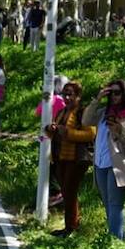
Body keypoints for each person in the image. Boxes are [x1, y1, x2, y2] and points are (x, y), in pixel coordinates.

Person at [83, 80, 125, 241]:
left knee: (115, 204)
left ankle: (116, 241)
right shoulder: (103, 112)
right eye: (110, 93)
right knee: (108, 203)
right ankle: (115, 237)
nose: (114, 96)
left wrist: (122, 129)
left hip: (118, 164)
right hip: (100, 163)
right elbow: (86, 121)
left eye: (117, 93)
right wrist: (98, 98)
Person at [45, 82, 96, 237]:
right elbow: (56, 133)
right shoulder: (61, 112)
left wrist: (68, 132)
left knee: (69, 191)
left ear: (78, 96)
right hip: (60, 157)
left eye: (70, 94)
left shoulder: (83, 112)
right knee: (66, 192)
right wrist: (51, 130)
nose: (67, 97)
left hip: (77, 158)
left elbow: (91, 134)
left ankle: (71, 227)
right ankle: (71, 225)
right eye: (64, 94)